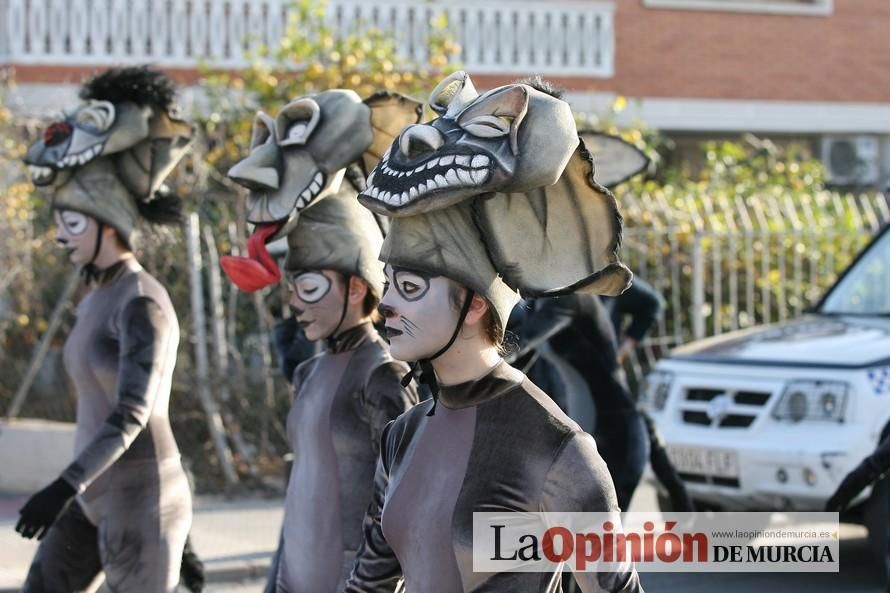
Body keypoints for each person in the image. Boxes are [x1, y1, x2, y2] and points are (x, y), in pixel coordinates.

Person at [344, 71, 643, 593]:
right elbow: (368, 582)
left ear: (477, 303)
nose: (385, 303)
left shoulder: (556, 448)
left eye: (409, 286)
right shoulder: (403, 435)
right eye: (389, 282)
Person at [223, 91, 422, 593]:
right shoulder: (309, 373)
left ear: (357, 286)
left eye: (310, 287)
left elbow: (402, 499)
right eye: (292, 286)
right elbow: (301, 501)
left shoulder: (385, 375)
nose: (295, 302)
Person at [16, 67, 197, 592]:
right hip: (91, 499)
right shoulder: (95, 297)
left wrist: (60, 486)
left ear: (107, 223)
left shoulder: (143, 303)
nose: (60, 237)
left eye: (72, 223)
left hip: (142, 503)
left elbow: (133, 413)